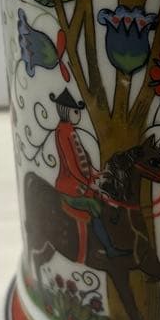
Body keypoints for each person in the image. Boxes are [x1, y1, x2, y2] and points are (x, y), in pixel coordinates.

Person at [51, 89, 129, 260]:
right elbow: (71, 164)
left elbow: (83, 159)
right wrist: (87, 183)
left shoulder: (70, 130)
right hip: (71, 186)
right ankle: (108, 249)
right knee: (95, 206)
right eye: (75, 111)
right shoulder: (63, 132)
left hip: (80, 182)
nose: (78, 114)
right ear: (66, 111)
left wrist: (96, 174)